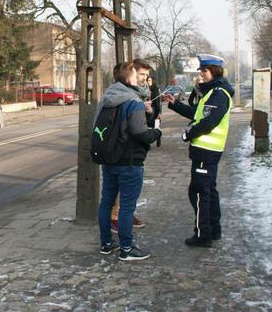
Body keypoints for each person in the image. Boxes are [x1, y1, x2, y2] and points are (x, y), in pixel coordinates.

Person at [163, 54, 234, 247]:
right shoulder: (213, 92)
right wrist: (175, 104)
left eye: (204, 71)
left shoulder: (218, 94)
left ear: (214, 71)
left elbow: (208, 122)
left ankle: (203, 235)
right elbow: (197, 113)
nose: (200, 74)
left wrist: (189, 133)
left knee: (199, 192)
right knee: (209, 190)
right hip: (207, 150)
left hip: (206, 149)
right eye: (201, 71)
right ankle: (213, 230)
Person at [97, 61, 162, 260]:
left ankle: (106, 244)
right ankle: (126, 249)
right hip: (130, 161)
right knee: (126, 206)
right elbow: (140, 132)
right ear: (129, 78)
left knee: (106, 202)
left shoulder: (107, 98)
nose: (141, 79)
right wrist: (156, 132)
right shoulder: (133, 101)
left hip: (109, 160)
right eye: (137, 75)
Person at [109, 59, 153, 234]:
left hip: (131, 150)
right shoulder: (124, 94)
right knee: (117, 191)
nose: (144, 78)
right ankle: (117, 225)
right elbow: (135, 129)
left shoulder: (139, 93)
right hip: (122, 150)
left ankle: (122, 217)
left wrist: (147, 113)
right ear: (131, 74)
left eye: (146, 75)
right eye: (141, 74)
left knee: (125, 193)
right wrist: (154, 135)